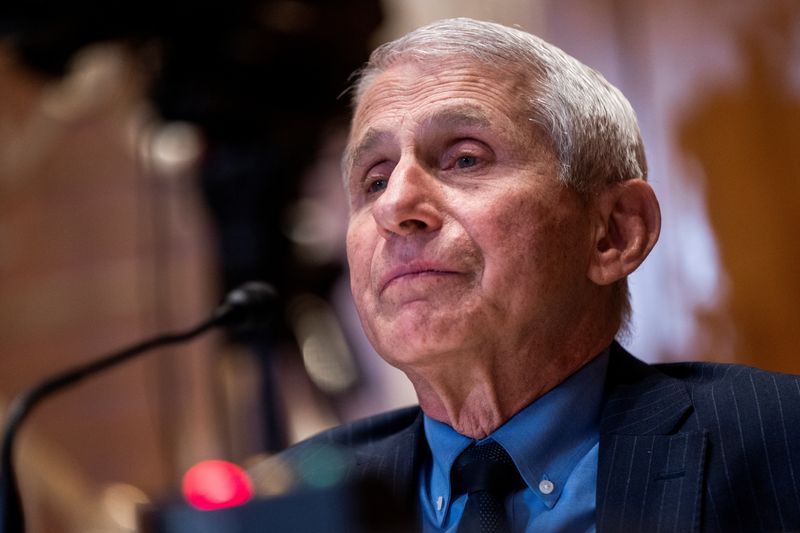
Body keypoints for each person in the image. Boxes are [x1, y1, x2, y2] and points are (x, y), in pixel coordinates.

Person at [261, 17, 800, 532]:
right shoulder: (289, 505)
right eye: (375, 181)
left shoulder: (781, 442)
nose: (395, 205)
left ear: (614, 233)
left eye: (465, 159)